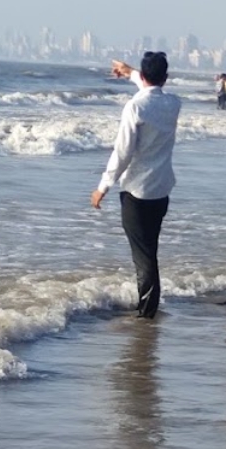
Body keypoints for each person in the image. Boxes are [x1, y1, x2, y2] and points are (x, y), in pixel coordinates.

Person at [91, 52, 182, 319]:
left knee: (143, 256)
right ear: (166, 78)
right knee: (149, 250)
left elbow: (122, 152)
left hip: (136, 191)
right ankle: (149, 303)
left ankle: (146, 311)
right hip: (161, 189)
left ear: (143, 76)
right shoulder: (174, 103)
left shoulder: (135, 107)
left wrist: (103, 186)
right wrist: (130, 72)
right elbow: (152, 89)